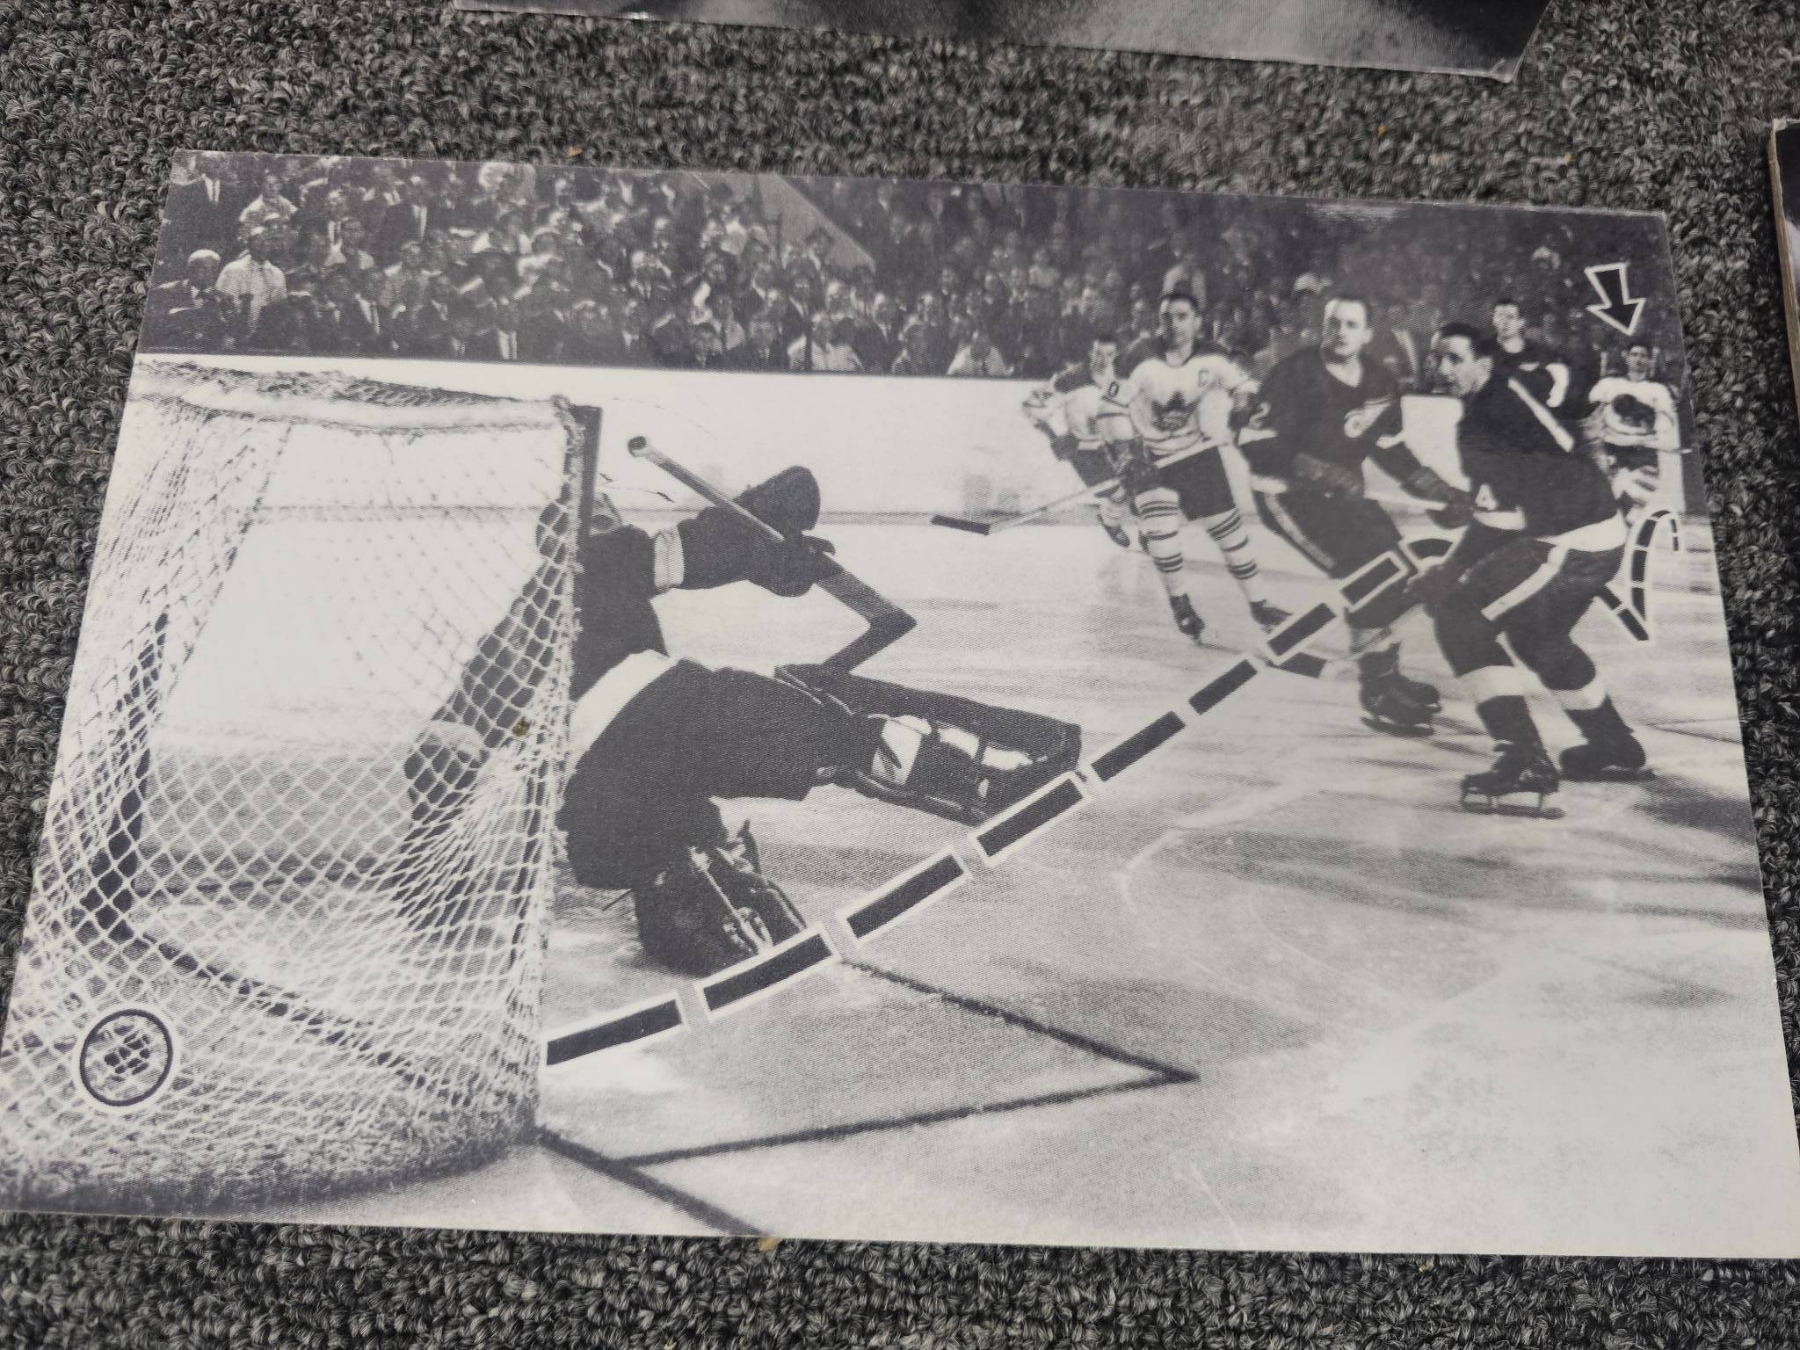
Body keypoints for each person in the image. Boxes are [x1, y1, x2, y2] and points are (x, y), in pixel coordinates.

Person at [404, 467, 1081, 974]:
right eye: (602, 515)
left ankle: (688, 890)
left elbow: (442, 753)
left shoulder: (505, 641)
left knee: (672, 849)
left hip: (597, 808)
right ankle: (994, 779)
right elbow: (723, 533)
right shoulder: (602, 561)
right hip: (674, 716)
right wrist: (775, 542)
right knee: (835, 725)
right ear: (575, 536)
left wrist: (434, 883)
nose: (614, 522)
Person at [1417, 323, 1648, 817]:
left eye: (1454, 358)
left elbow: (1499, 523)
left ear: (1484, 363)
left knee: (1459, 617)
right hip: (1597, 528)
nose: (1441, 369)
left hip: (1571, 538)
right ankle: (1612, 743)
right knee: (1537, 636)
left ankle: (1523, 760)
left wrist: (1450, 569)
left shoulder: (1482, 421)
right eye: (1437, 358)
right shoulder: (1512, 386)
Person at [1243, 296, 1473, 734]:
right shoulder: (1294, 373)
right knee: (1369, 575)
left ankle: (1386, 674)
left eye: (1351, 325)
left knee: (1399, 570)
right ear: (1322, 328)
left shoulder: (1380, 381)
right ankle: (1375, 693)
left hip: (1344, 498)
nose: (1341, 332)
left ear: (1367, 334)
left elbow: (1391, 450)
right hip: (1286, 496)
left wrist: (1438, 491)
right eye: (1334, 323)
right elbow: (1254, 441)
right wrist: (1317, 469)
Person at [1096, 289, 1287, 644]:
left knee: (1230, 533)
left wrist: (1242, 408)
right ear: (1158, 321)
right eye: (1167, 317)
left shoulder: (1213, 355)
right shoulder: (1137, 356)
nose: (1174, 324)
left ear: (1198, 322)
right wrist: (1126, 455)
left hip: (1197, 451)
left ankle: (1260, 605)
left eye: (1183, 317)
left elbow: (1243, 385)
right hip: (1149, 456)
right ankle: (1180, 604)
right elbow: (1109, 409)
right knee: (1162, 532)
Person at [1022, 333, 1135, 548]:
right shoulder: (1070, 380)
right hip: (1084, 449)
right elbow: (1030, 406)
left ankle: (1150, 534)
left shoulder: (1121, 379)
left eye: (1109, 354)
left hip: (1114, 444)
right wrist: (1053, 437)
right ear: (1090, 353)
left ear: (1116, 355)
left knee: (1141, 489)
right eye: (1098, 354)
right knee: (1117, 494)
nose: (1103, 360)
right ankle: (1110, 521)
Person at [1586, 341, 1681, 516]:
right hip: (1611, 448)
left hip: (1642, 451)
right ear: (1626, 357)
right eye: (1634, 354)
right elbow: (1592, 411)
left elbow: (1667, 423)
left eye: (1643, 356)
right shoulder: (1609, 384)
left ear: (1650, 360)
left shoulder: (1658, 390)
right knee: (1604, 500)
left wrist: (1645, 416)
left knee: (1635, 505)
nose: (1638, 359)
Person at [1490, 297, 1573, 410]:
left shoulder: (1538, 351)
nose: (1504, 322)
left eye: (1510, 317)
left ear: (1521, 322)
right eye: (1499, 316)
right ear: (1493, 319)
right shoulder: (1483, 349)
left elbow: (1559, 372)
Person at [215, 229, 287, 335]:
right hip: (236, 332)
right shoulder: (233, 270)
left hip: (267, 334)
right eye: (258, 242)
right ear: (248, 244)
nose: (263, 246)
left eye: (267, 242)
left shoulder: (277, 274)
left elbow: (279, 307)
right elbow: (223, 305)